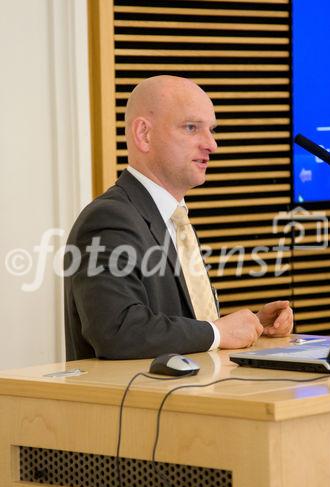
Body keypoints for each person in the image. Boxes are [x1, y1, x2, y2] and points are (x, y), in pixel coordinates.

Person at [64, 75, 293, 361]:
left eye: (211, 130)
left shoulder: (173, 219)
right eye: (191, 128)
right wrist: (218, 332)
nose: (212, 144)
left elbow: (173, 324)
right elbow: (117, 331)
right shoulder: (108, 219)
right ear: (143, 134)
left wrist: (253, 326)